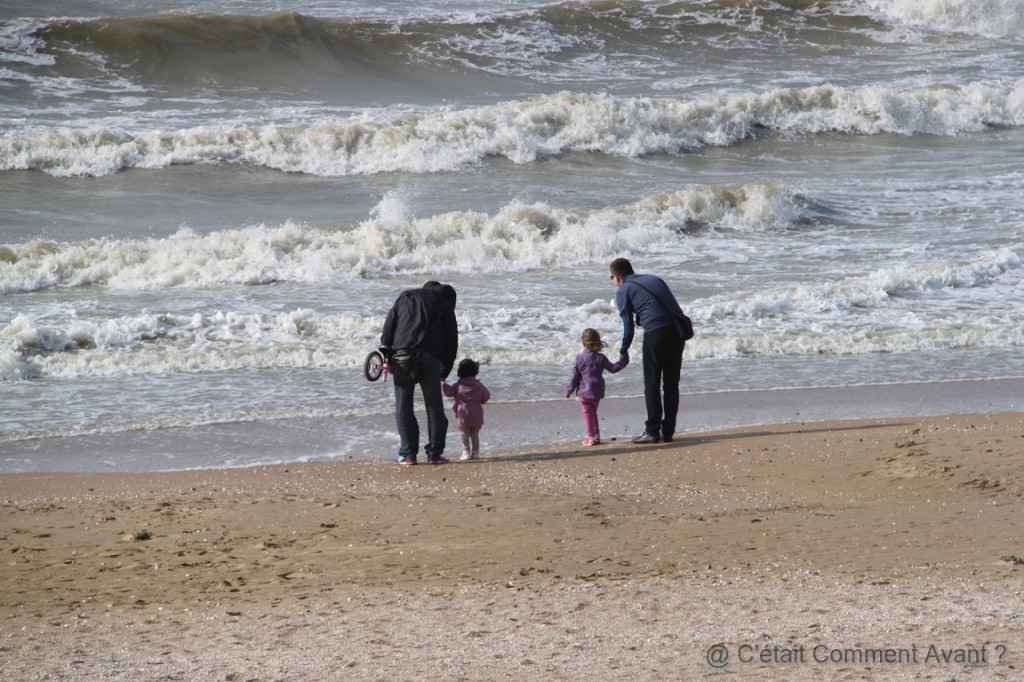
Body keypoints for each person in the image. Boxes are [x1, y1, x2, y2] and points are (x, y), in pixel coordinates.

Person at [380, 281, 459, 465]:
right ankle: (434, 454)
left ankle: (408, 455)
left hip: (402, 355)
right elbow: (451, 340)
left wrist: (386, 352)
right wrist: (444, 370)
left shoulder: (405, 296)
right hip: (429, 356)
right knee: (434, 406)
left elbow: (389, 325)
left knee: (403, 405)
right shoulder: (443, 302)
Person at [610, 257, 686, 444]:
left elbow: (627, 325)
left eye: (611, 277)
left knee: (652, 383)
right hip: (677, 331)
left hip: (656, 334)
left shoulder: (624, 290)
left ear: (617, 277)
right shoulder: (654, 279)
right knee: (671, 384)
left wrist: (624, 349)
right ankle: (668, 431)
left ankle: (652, 431)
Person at [565, 328, 629, 446]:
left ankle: (591, 437)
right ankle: (596, 436)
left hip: (584, 391)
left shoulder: (580, 358)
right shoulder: (601, 357)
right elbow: (613, 369)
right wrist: (624, 361)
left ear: (584, 343)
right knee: (593, 412)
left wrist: (569, 390)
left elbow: (574, 375)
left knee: (587, 414)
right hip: (597, 390)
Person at [441, 358, 491, 461]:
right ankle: (476, 453)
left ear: (460, 371)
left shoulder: (458, 385)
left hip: (463, 413)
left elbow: (449, 392)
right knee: (474, 434)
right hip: (477, 413)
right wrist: (480, 400)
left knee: (465, 434)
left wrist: (443, 384)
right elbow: (486, 396)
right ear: (475, 371)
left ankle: (466, 452)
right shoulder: (479, 385)